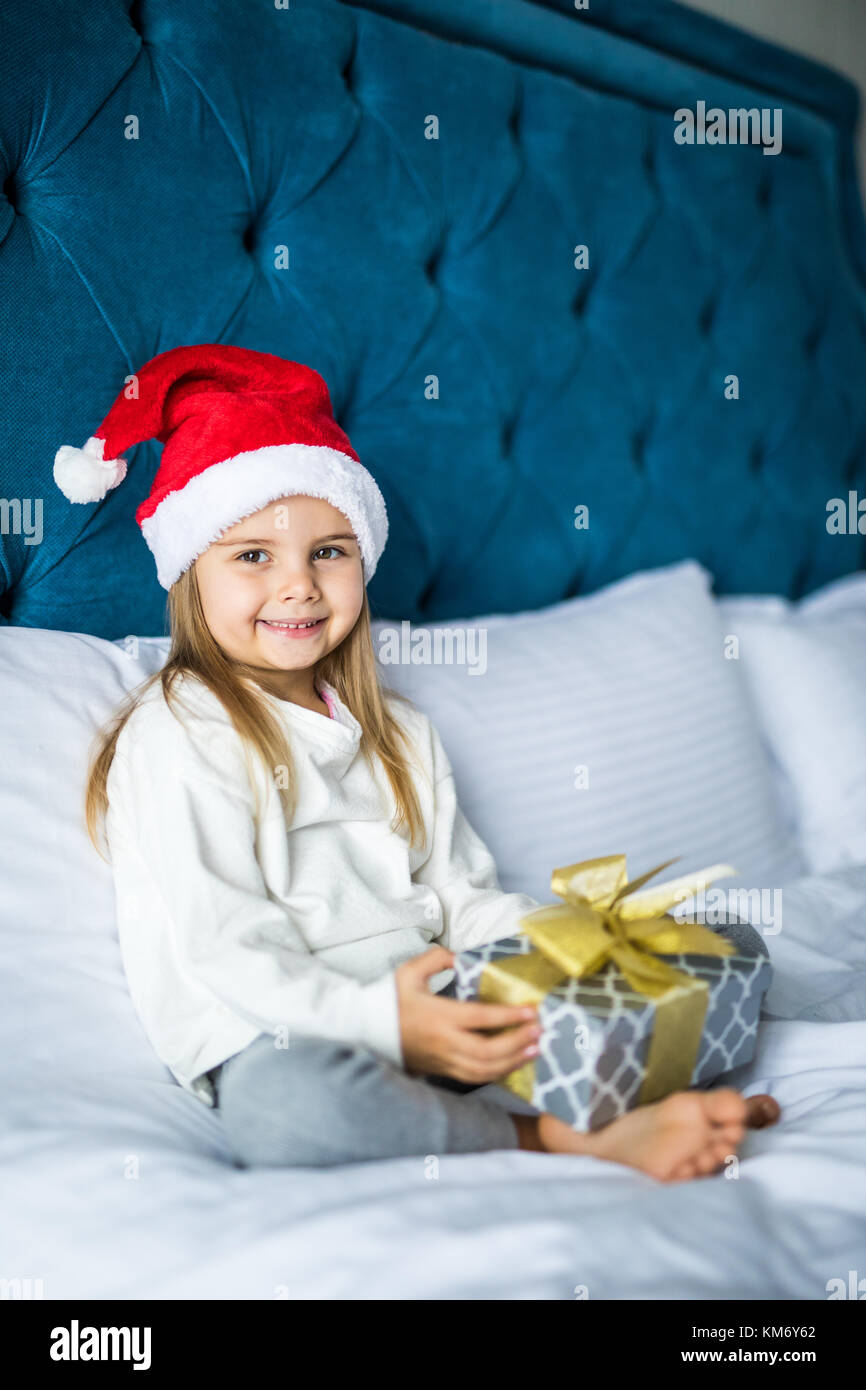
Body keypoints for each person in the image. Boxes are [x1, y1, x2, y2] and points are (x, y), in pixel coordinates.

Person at [55, 343, 780, 1184]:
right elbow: (228, 948)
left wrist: (566, 948)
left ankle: (647, 1083)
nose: (299, 585)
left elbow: (461, 900)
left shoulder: (396, 730)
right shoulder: (180, 731)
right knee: (289, 1112)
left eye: (328, 551)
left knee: (715, 941)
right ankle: (568, 1139)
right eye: (253, 555)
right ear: (189, 573)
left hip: (440, 1007)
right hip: (290, 1034)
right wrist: (383, 1021)